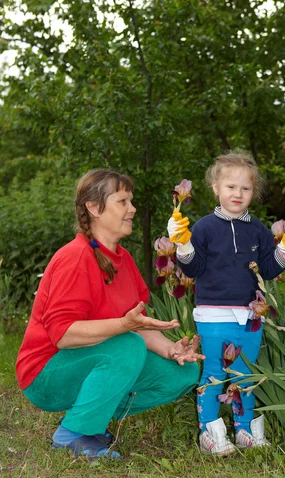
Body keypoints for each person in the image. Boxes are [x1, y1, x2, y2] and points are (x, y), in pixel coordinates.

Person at [16, 169, 204, 459]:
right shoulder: (75, 258)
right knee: (127, 344)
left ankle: (92, 416)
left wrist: (171, 350)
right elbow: (62, 335)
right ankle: (74, 434)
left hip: (94, 359)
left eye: (131, 201)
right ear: (94, 208)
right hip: (45, 373)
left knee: (183, 372)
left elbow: (137, 324)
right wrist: (122, 325)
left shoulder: (123, 260)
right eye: (123, 201)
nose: (133, 209)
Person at [167, 152, 285, 456]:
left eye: (245, 188)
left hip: (250, 316)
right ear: (215, 187)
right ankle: (209, 432)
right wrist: (182, 243)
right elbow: (191, 269)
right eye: (230, 186)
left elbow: (268, 269)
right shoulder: (202, 227)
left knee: (245, 374)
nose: (237, 194)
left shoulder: (257, 229)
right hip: (213, 315)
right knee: (214, 372)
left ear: (253, 193)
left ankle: (244, 429)